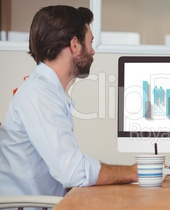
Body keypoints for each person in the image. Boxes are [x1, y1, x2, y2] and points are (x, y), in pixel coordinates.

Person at [0, 5, 138, 197]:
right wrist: (133, 172)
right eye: (90, 42)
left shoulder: (47, 91)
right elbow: (72, 171)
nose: (93, 51)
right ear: (74, 45)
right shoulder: (40, 95)